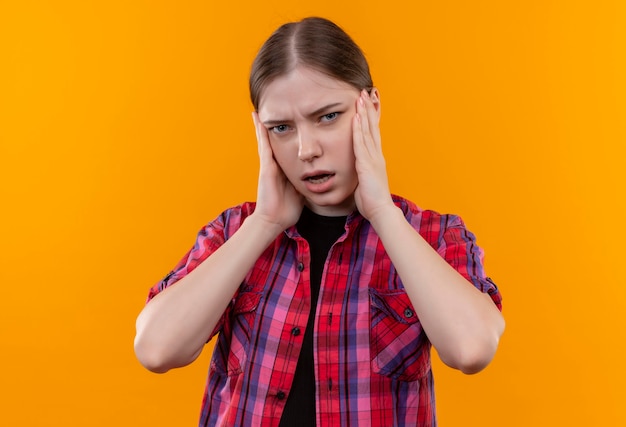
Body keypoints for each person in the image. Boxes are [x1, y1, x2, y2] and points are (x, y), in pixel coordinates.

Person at [134, 16, 504, 427]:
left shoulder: (434, 235)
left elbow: (472, 348)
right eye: (282, 128)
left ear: (371, 108)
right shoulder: (233, 232)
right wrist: (265, 222)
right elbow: (156, 349)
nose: (306, 149)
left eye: (327, 116)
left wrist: (382, 212)